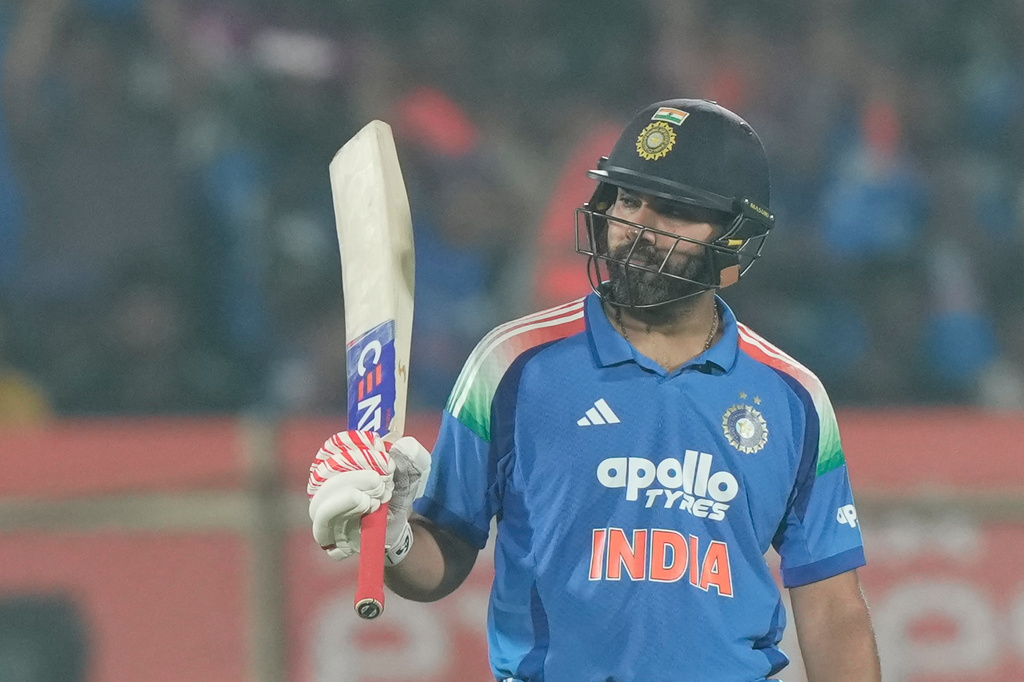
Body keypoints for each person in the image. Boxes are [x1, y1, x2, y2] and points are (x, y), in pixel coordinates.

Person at [307, 99, 881, 682]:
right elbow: (446, 555)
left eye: (676, 210)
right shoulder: (511, 365)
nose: (639, 228)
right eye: (629, 200)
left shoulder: (792, 396)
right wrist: (395, 537)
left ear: (734, 236)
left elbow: (833, 607)